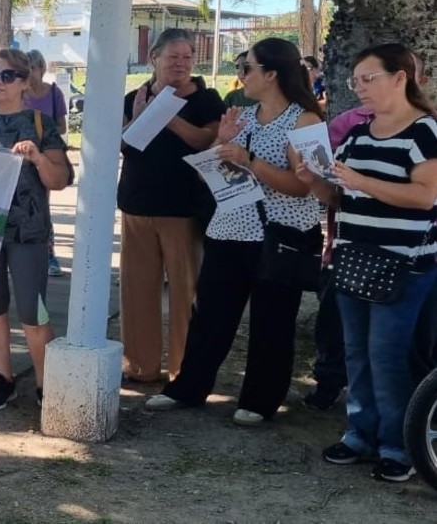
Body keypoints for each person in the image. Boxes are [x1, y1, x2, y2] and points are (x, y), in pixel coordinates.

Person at [146, 38, 325, 426]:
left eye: (247, 67)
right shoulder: (243, 114)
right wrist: (222, 144)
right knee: (210, 315)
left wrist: (251, 160)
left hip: (279, 235)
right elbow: (223, 169)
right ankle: (188, 388)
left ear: (272, 73)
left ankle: (260, 400)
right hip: (229, 228)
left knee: (271, 321)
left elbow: (305, 186)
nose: (240, 74)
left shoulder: (305, 121)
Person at [299, 44, 437, 483]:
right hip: (353, 259)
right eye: (354, 80)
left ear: (401, 78)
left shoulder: (425, 132)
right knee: (356, 351)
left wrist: (361, 180)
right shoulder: (359, 134)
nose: (358, 88)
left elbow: (425, 197)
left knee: (388, 355)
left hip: (404, 266)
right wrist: (315, 184)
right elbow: (343, 199)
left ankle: (399, 446)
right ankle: (360, 434)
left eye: (368, 78)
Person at [0, 48, 70, 409]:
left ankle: (46, 383)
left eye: (7, 76)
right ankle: (2, 379)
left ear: (25, 82)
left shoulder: (40, 124)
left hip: (28, 232)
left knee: (32, 312)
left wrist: (37, 157)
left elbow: (60, 179)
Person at [118, 29, 225, 383]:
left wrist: (163, 114)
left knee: (185, 292)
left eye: (187, 57)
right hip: (136, 204)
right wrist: (139, 117)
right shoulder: (134, 96)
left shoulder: (208, 100)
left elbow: (204, 141)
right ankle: (141, 364)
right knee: (137, 291)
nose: (180, 64)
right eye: (173, 57)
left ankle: (183, 370)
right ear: (154, 58)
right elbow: (125, 144)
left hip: (183, 210)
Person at [23, 49, 69, 278]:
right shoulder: (19, 94)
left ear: (42, 68)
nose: (31, 73)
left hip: (46, 158)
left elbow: (62, 126)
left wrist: (43, 132)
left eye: (34, 68)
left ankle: (49, 254)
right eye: (27, 68)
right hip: (21, 159)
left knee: (43, 207)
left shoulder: (53, 93)